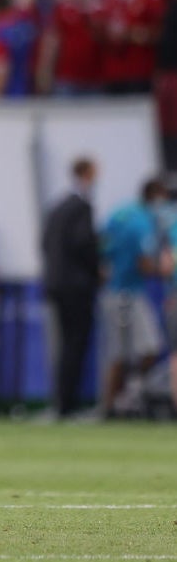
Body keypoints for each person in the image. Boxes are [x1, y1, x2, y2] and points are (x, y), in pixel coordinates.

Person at [98, 178, 168, 419]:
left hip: (113, 290)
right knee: (145, 348)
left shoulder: (120, 214)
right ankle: (124, 398)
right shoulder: (142, 223)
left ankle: (115, 403)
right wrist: (165, 271)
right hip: (129, 292)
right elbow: (145, 263)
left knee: (122, 353)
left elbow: (102, 250)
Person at [40, 157, 101, 419]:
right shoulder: (82, 206)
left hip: (56, 283)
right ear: (88, 173)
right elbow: (83, 242)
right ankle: (68, 405)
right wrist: (97, 269)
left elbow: (44, 242)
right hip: (77, 287)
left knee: (64, 344)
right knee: (76, 344)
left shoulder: (58, 206)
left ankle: (61, 402)